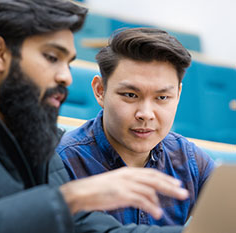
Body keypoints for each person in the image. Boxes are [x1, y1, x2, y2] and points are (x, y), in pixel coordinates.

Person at [0, 1, 188, 232]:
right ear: (0, 53)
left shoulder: (35, 141)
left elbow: (95, 230)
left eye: (68, 62)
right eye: (52, 57)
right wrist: (70, 198)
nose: (66, 76)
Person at [57, 27, 215, 227]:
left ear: (178, 95)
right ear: (100, 91)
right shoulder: (63, 162)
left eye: (162, 97)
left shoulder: (190, 160)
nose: (146, 114)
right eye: (131, 95)